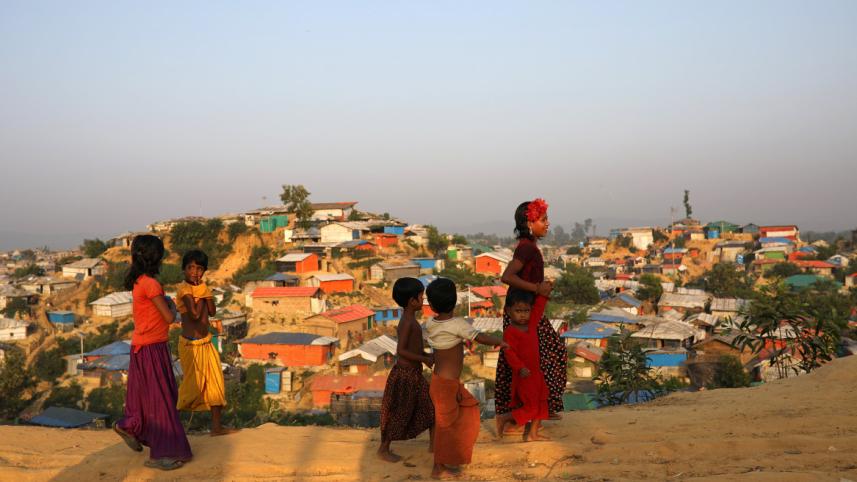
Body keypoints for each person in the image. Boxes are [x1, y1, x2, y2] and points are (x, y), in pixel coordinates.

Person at [113, 235, 192, 470]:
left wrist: (164, 301)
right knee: (162, 401)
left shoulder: (140, 281)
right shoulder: (151, 284)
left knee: (146, 399)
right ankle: (162, 454)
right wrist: (173, 306)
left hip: (141, 346)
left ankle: (129, 426)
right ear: (157, 257)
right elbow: (169, 318)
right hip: (152, 347)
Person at [424, 278, 508, 480]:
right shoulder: (458, 324)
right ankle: (438, 466)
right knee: (448, 423)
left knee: (456, 416)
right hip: (446, 385)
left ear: (432, 305)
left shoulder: (430, 323)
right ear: (455, 302)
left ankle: (446, 456)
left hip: (441, 381)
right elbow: (479, 337)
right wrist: (500, 342)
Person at [496, 199, 567, 429]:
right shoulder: (527, 248)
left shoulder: (528, 245)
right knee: (548, 354)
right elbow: (507, 277)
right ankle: (534, 409)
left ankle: (536, 409)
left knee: (532, 359)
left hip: (525, 311)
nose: (547, 223)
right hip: (522, 314)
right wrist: (537, 289)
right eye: (543, 219)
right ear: (530, 222)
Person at [175, 249, 235, 436]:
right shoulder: (184, 289)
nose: (195, 272)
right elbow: (193, 314)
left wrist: (205, 293)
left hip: (206, 342)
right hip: (190, 345)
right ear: (184, 269)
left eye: (199, 269)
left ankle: (216, 427)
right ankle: (169, 426)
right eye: (191, 268)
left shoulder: (202, 288)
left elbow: (212, 312)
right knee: (192, 387)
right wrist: (200, 293)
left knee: (215, 383)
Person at [377, 277, 435, 463]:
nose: (423, 299)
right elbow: (401, 350)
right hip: (405, 376)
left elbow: (412, 349)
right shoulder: (408, 323)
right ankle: (383, 449)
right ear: (412, 301)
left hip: (413, 374)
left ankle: (435, 447)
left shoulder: (410, 320)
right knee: (398, 414)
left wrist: (426, 354)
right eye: (421, 296)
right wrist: (425, 359)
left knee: (431, 408)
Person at [495, 288, 552, 442]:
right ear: (508, 311)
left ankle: (532, 434)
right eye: (518, 310)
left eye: (526, 310)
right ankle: (505, 417)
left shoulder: (532, 323)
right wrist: (520, 368)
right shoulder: (510, 332)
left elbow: (539, 308)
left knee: (541, 404)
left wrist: (544, 295)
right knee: (531, 406)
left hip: (537, 374)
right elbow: (509, 353)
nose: (523, 314)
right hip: (524, 375)